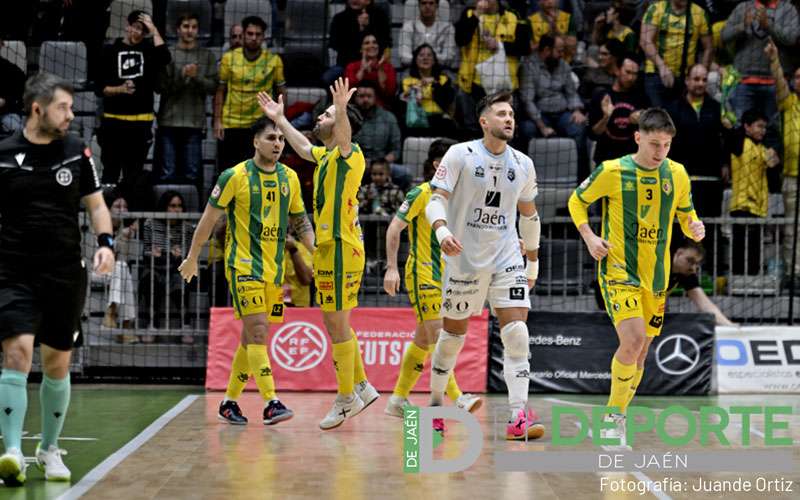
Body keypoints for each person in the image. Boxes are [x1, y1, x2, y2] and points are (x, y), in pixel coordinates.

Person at [0, 72, 114, 484]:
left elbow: (97, 206)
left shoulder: (76, 151)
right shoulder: (4, 154)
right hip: (13, 270)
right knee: (17, 352)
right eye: (63, 107)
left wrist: (106, 243)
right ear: (37, 109)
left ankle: (48, 449)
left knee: (57, 364)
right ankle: (11, 451)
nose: (70, 113)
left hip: (65, 272)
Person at [568, 108, 705, 448]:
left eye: (667, 145)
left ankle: (619, 416)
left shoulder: (678, 174)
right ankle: (612, 419)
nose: (661, 152)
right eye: (655, 144)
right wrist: (589, 237)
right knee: (632, 340)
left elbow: (687, 215)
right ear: (638, 137)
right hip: (618, 270)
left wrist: (694, 226)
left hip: (656, 277)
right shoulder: (612, 171)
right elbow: (576, 201)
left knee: (641, 352)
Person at [258, 78, 380, 430]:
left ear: (343, 124)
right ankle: (360, 385)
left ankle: (346, 399)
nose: (321, 117)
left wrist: (340, 108)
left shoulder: (349, 153)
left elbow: (343, 135)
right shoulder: (327, 155)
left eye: (327, 115)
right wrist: (280, 120)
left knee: (337, 326)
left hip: (342, 248)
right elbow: (301, 146)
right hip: (330, 249)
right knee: (334, 323)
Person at [179, 116, 314, 425]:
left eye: (281, 138)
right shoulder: (234, 176)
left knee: (249, 339)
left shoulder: (290, 178)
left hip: (274, 271)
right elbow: (209, 219)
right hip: (243, 267)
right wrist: (192, 256)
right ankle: (271, 402)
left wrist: (316, 251)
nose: (278, 143)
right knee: (257, 333)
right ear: (255, 142)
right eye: (271, 138)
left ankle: (229, 403)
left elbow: (300, 221)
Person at [424, 91, 544, 440]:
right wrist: (442, 230)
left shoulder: (523, 163)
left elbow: (529, 215)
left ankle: (518, 415)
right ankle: (435, 405)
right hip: (464, 258)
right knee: (452, 338)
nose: (509, 119)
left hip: (507, 256)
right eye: (502, 114)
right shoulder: (460, 154)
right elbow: (436, 199)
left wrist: (532, 260)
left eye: (512, 114)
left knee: (517, 333)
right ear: (484, 122)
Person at [383, 139, 482, 422]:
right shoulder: (421, 193)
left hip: (451, 278)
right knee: (440, 337)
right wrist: (392, 268)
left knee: (423, 340)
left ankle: (398, 400)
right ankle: (459, 397)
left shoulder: (464, 196)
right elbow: (393, 229)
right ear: (439, 164)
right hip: (423, 274)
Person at [98, 10, 170, 207]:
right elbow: (99, 88)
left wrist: (153, 28)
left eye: (142, 30)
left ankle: (130, 219)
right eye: (136, 28)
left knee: (134, 174)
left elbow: (165, 57)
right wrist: (120, 89)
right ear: (127, 26)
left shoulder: (149, 50)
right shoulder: (109, 51)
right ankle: (105, 215)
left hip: (140, 123)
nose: (138, 33)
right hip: (113, 121)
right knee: (110, 172)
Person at [214, 16, 286, 177]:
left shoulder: (273, 61)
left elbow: (282, 91)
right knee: (228, 174)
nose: (254, 38)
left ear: (263, 37)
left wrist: (280, 120)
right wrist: (217, 120)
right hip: (231, 124)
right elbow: (220, 90)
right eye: (250, 33)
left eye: (258, 34)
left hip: (259, 125)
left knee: (256, 174)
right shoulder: (229, 59)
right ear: (244, 34)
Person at [155, 12, 218, 186]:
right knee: (167, 173)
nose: (190, 31)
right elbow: (162, 88)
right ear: (178, 29)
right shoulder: (168, 54)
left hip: (194, 123)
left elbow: (213, 87)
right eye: (186, 26)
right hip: (169, 121)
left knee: (192, 173)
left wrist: (196, 77)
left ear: (198, 30)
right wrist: (182, 76)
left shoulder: (207, 56)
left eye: (194, 27)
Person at [519, 34, 588, 178]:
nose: (562, 54)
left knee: (579, 128)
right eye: (559, 51)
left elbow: (571, 92)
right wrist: (542, 126)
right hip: (539, 115)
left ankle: (582, 180)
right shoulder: (529, 66)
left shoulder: (563, 65)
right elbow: (528, 101)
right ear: (546, 50)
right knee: (526, 130)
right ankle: (524, 178)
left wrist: (576, 110)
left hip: (562, 113)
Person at [721, 0, 799, 126]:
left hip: (776, 84)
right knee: (740, 129)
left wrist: (768, 25)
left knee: (772, 131)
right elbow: (724, 36)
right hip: (743, 81)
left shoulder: (788, 9)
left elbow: (792, 38)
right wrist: (742, 26)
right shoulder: (743, 7)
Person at [727, 109, 780, 275]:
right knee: (740, 246)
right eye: (759, 126)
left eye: (764, 127)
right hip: (742, 206)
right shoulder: (740, 143)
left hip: (758, 207)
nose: (762, 130)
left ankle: (753, 276)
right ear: (747, 127)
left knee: (755, 247)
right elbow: (731, 136)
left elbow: (773, 166)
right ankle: (737, 277)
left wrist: (775, 160)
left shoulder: (763, 148)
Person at [765, 38, 800, 287]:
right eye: (796, 77)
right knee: (792, 230)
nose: (798, 80)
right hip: (792, 176)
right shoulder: (790, 103)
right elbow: (779, 84)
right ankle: (795, 274)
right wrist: (774, 59)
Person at [140, 190, 196, 341]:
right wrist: (153, 254)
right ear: (164, 207)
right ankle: (152, 324)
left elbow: (189, 255)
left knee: (182, 279)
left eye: (179, 206)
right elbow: (145, 251)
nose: (176, 210)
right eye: (172, 206)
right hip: (156, 267)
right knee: (150, 279)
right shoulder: (150, 224)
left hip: (177, 268)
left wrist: (179, 255)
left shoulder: (187, 228)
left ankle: (186, 325)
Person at [640, 0, 712, 108]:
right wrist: (662, 67)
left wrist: (701, 75)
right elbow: (645, 41)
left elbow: (709, 48)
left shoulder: (700, 13)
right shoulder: (655, 9)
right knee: (658, 117)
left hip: (686, 78)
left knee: (682, 119)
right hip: (656, 73)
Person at [588, 54, 648, 165]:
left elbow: (651, 127)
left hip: (632, 161)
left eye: (635, 74)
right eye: (628, 72)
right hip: (606, 160)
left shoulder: (641, 97)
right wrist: (606, 117)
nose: (631, 78)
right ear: (617, 70)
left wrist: (642, 118)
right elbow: (594, 133)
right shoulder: (602, 96)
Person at [100, 192, 140, 343]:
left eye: (125, 206)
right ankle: (126, 327)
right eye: (118, 206)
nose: (122, 209)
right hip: (98, 270)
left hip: (118, 272)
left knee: (122, 269)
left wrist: (126, 237)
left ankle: (111, 311)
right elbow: (100, 254)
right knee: (121, 268)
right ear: (108, 209)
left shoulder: (128, 229)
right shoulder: (98, 225)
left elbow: (128, 258)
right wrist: (120, 239)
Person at [401, 43, 458, 138]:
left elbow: (447, 101)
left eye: (429, 55)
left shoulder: (443, 79)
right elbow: (402, 105)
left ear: (434, 60)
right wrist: (410, 95)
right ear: (415, 60)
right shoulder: (407, 81)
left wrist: (434, 84)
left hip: (439, 121)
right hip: (416, 121)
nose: (425, 58)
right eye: (421, 55)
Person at [352, 81, 402, 166]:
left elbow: (396, 150)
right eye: (361, 96)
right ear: (355, 98)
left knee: (405, 174)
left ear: (375, 98)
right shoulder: (347, 118)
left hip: (382, 164)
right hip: (353, 163)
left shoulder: (389, 118)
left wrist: (380, 163)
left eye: (369, 96)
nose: (365, 99)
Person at [343, 33, 397, 109]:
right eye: (367, 43)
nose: (371, 45)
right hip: (355, 108)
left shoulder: (387, 67)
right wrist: (362, 70)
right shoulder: (352, 66)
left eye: (374, 42)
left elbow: (389, 93)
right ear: (361, 48)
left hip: (380, 109)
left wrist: (380, 69)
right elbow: (349, 91)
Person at [399, 0, 457, 70]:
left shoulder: (448, 28)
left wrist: (421, 58)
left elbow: (449, 58)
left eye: (431, 3)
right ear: (419, 6)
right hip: (413, 71)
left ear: (437, 6)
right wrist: (432, 58)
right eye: (424, 3)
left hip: (440, 71)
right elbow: (404, 57)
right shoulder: (408, 27)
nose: (427, 6)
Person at [0, 38, 25, 137]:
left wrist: (5, 101)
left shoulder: (13, 71)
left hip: (7, 113)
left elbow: (21, 98)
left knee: (17, 129)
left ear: (2, 44)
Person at [283, 233, 314, 307]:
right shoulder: (267, 248)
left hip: (298, 306)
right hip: (274, 303)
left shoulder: (304, 248)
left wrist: (293, 250)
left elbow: (306, 279)